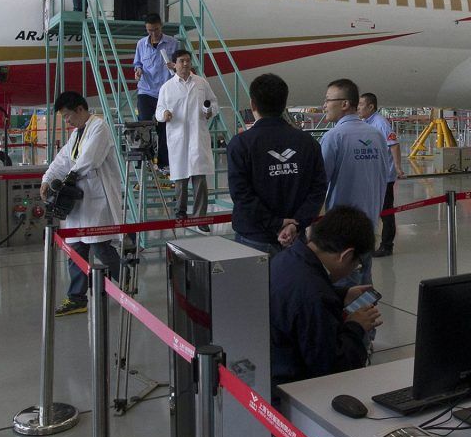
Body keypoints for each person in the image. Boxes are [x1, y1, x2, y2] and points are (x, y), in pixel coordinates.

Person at [269, 205, 382, 387]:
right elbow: (331, 368)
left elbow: (296, 303)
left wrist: (341, 295)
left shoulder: (286, 257)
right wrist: (356, 326)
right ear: (346, 255)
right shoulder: (315, 294)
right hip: (293, 388)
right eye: (357, 264)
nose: (354, 269)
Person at [40, 91, 123, 316]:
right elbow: (63, 159)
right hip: (78, 202)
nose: (67, 121)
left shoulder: (99, 128)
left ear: (80, 109)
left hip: (97, 200)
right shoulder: (77, 133)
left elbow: (89, 160)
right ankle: (76, 298)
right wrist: (47, 178)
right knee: (76, 249)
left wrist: (66, 180)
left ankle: (127, 283)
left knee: (100, 247)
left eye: (68, 116)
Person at [227, 73, 327, 254]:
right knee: (293, 282)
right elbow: (318, 189)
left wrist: (276, 223)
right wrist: (295, 224)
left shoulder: (241, 144)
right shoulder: (308, 143)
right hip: (295, 238)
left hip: (253, 239)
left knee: (253, 283)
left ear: (253, 104)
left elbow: (241, 195)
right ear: (284, 104)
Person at [319, 78, 389, 286]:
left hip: (342, 229)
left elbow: (319, 183)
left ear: (344, 104)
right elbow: (384, 176)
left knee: (344, 287)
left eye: (328, 100)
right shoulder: (376, 136)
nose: (324, 105)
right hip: (369, 224)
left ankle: (352, 318)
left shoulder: (334, 137)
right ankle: (366, 315)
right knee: (365, 281)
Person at [155, 49, 218, 227]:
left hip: (198, 138)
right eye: (181, 61)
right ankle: (180, 213)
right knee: (180, 180)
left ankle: (200, 219)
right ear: (174, 64)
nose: (185, 64)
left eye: (188, 61)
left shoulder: (201, 83)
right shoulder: (167, 87)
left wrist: (209, 111)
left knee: (200, 181)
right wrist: (164, 114)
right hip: (178, 139)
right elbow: (158, 110)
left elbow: (214, 103)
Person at [358, 92, 404, 258]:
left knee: (386, 213)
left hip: (384, 178)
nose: (358, 107)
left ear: (371, 106)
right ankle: (370, 244)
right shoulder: (366, 122)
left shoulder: (380, 123)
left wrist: (398, 167)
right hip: (373, 176)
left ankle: (387, 246)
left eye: (361, 104)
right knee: (373, 211)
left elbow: (394, 145)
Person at [132, 14, 177, 172]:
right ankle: (145, 160)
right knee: (143, 124)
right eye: (149, 30)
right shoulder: (141, 44)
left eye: (156, 30)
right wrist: (138, 70)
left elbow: (182, 62)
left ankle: (164, 163)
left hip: (165, 92)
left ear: (161, 26)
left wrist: (174, 66)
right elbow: (137, 63)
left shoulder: (173, 43)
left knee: (164, 128)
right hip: (146, 90)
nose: (153, 34)